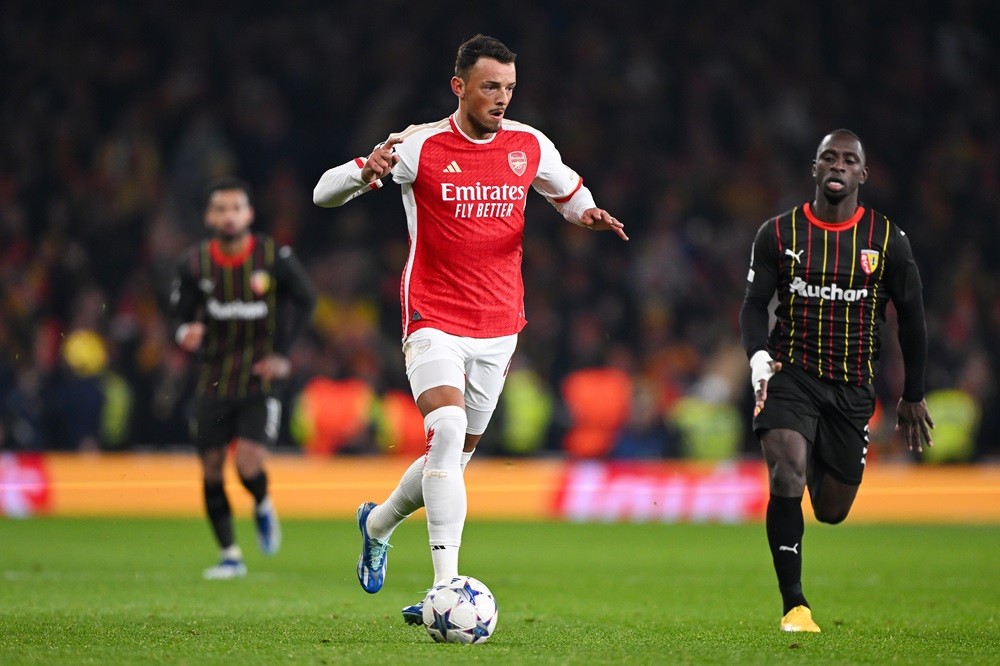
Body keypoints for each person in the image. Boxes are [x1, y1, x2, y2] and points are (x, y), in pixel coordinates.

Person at [313, 34, 627, 623]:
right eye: (490, 86)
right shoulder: (420, 146)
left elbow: (567, 189)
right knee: (448, 427)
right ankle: (446, 586)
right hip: (432, 316)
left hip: (499, 323)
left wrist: (586, 213)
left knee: (450, 458)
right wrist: (366, 169)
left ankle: (377, 523)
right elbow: (321, 193)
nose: (501, 98)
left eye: (508, 87)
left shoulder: (528, 145)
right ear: (459, 87)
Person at [740, 130, 934, 632]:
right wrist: (759, 355)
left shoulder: (887, 240)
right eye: (830, 156)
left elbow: (911, 317)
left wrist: (912, 394)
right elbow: (753, 305)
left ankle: (813, 456)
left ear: (862, 174)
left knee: (830, 510)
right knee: (785, 472)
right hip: (791, 374)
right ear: (815, 167)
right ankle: (795, 605)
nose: (838, 165)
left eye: (850, 160)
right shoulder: (778, 234)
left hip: (851, 389)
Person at [171, 176, 316, 579]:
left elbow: (307, 300)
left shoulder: (273, 256)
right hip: (214, 378)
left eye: (236, 208)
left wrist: (284, 355)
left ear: (249, 213)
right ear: (208, 216)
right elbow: (178, 315)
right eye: (221, 208)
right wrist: (186, 332)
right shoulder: (194, 263)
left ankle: (263, 502)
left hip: (259, 378)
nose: (229, 216)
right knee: (213, 468)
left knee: (247, 465)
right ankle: (230, 555)